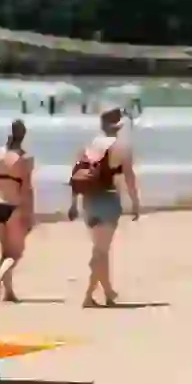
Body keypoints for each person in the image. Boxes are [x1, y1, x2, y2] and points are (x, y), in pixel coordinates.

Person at [67, 106, 140, 307]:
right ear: (118, 127)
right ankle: (88, 295)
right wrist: (135, 203)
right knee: (100, 252)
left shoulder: (87, 147)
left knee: (101, 249)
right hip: (108, 201)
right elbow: (130, 179)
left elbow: (75, 175)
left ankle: (108, 292)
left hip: (88, 201)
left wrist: (73, 204)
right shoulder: (122, 149)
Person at [0, 119, 35, 302]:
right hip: (13, 206)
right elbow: (27, 189)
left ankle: (8, 292)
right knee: (15, 252)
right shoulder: (25, 159)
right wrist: (29, 214)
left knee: (4, 250)